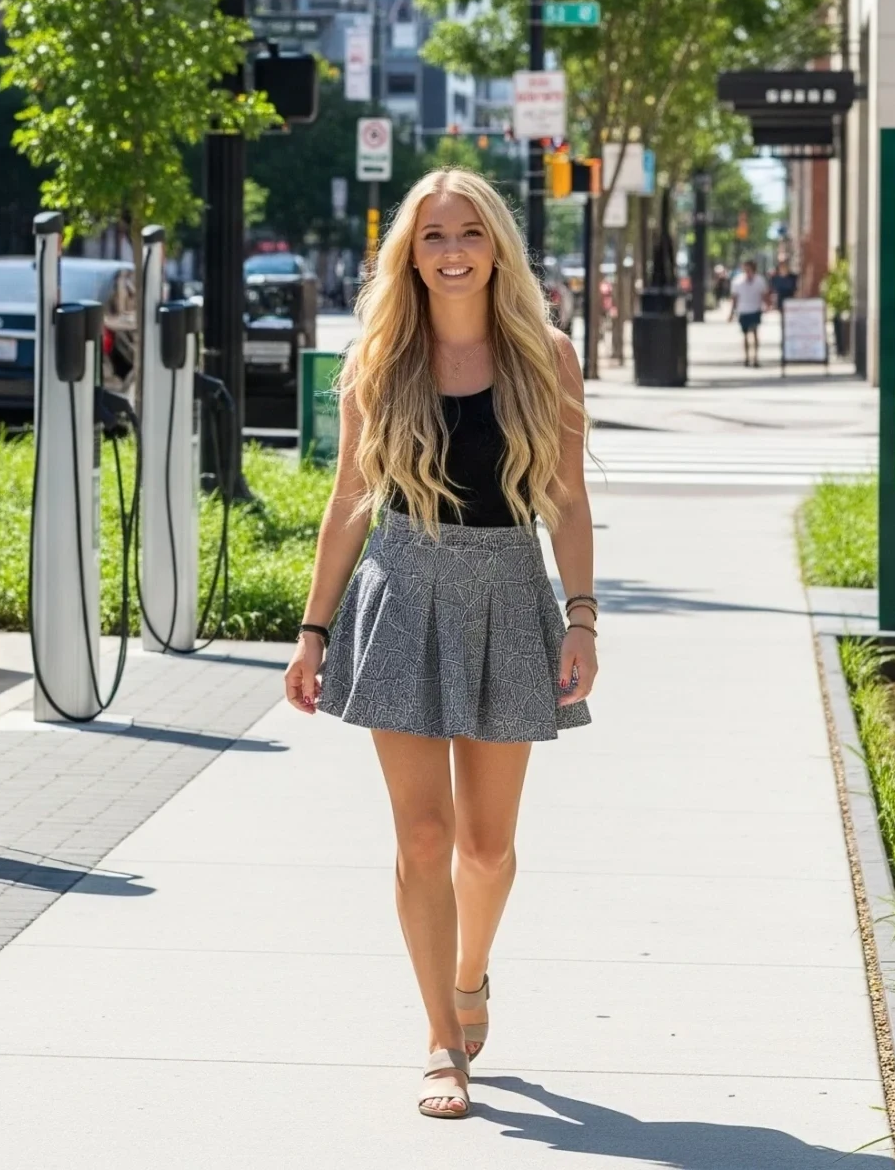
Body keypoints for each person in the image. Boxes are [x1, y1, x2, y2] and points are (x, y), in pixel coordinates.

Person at [283, 167, 599, 1121]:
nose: (452, 250)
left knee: (487, 846)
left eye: (468, 232)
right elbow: (347, 501)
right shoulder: (380, 358)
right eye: (432, 236)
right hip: (403, 590)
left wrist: (581, 615)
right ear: (407, 254)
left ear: (496, 244)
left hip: (508, 592)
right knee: (421, 836)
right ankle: (438, 1040)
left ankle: (471, 973)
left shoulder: (547, 355)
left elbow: (569, 500)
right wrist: (312, 631)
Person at [730, 259, 769, 367]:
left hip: (755, 309)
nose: (747, 271)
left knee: (755, 333)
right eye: (745, 268)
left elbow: (764, 294)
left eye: (749, 269)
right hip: (743, 310)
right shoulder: (738, 281)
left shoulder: (760, 280)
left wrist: (766, 306)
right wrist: (732, 312)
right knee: (745, 335)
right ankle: (746, 357)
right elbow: (734, 297)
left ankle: (755, 357)